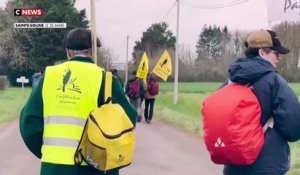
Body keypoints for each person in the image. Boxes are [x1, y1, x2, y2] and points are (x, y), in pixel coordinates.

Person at [19, 28, 137, 175]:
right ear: (93, 51)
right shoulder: (106, 80)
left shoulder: (49, 76)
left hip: (55, 167)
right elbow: (130, 120)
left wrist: (46, 151)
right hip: (96, 167)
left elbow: (29, 122)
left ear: (68, 52)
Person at [223, 29, 300, 175]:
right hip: (267, 167)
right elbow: (294, 129)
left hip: (234, 164)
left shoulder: (231, 81)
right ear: (262, 53)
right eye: (276, 53)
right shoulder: (275, 82)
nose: (279, 58)